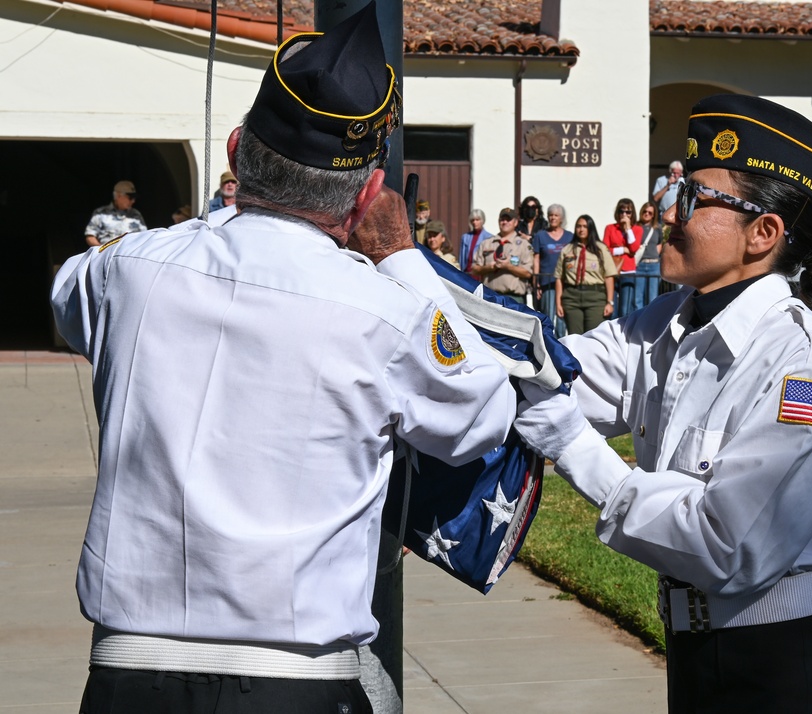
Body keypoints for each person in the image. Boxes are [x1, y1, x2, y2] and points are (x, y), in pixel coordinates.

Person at [50, 5, 515, 712]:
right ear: (365, 195)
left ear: (236, 153)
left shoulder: (127, 270)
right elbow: (482, 413)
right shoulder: (385, 312)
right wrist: (401, 259)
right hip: (296, 684)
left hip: (124, 677)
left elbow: (67, 296)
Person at [515, 94, 812, 712]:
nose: (668, 214)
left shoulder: (803, 367)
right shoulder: (671, 320)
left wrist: (574, 448)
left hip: (788, 667)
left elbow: (726, 547)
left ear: (763, 233)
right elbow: (549, 368)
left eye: (694, 200)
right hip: (699, 652)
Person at [554, 214, 617, 335]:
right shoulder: (567, 250)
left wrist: (610, 302)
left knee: (593, 336)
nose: (581, 229)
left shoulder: (601, 249)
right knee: (574, 336)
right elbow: (559, 278)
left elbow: (609, 276)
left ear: (590, 228)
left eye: (584, 226)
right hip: (572, 297)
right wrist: (558, 303)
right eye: (578, 226)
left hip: (595, 297)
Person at [471, 207, 534, 303]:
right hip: (489, 296)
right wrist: (490, 267)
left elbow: (528, 273)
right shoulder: (486, 243)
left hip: (513, 298)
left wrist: (508, 267)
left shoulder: (524, 245)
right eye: (502, 219)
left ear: (515, 222)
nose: (505, 222)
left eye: (508, 220)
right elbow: (474, 269)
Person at [532, 204, 574, 337]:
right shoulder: (541, 236)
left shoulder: (570, 237)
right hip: (547, 282)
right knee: (548, 315)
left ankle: (562, 342)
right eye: (550, 215)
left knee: (562, 317)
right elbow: (536, 259)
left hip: (565, 283)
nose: (553, 218)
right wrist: (536, 282)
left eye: (556, 215)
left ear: (561, 218)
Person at [603, 198, 641, 318]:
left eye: (628, 212)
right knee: (611, 308)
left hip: (628, 271)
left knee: (625, 309)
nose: (624, 214)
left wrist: (628, 229)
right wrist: (623, 250)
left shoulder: (637, 229)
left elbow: (634, 248)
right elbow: (605, 249)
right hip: (612, 271)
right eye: (621, 211)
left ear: (632, 213)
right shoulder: (610, 228)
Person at [84, 180, 147, 247]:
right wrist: (101, 251)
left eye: (134, 198)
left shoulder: (136, 214)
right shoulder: (101, 213)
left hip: (130, 254)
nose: (133, 201)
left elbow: (145, 236)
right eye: (130, 198)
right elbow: (90, 236)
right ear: (119, 196)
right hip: (108, 255)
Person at [633, 201, 663, 311]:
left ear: (654, 214)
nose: (647, 214)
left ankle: (650, 324)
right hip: (640, 265)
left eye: (650, 213)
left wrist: (655, 254)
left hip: (654, 265)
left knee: (652, 298)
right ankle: (637, 324)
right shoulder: (636, 227)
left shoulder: (657, 228)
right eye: (645, 211)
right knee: (637, 299)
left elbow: (659, 243)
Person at [458, 208, 492, 276]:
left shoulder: (489, 238)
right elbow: (462, 258)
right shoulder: (465, 237)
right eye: (473, 220)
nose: (474, 222)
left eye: (477, 220)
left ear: (482, 221)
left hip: (480, 274)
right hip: (467, 274)